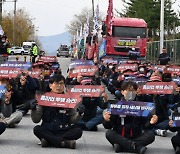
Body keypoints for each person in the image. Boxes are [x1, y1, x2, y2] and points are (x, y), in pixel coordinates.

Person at [103, 81, 156, 154]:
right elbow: (108, 126)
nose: (130, 93)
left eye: (132, 91)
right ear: (122, 92)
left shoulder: (141, 106)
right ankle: (136, 147)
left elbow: (145, 126)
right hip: (120, 136)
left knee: (151, 135)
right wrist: (107, 120)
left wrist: (151, 122)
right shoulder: (117, 106)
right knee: (109, 133)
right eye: (128, 91)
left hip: (136, 136)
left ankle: (122, 147)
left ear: (136, 92)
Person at [31, 74, 82, 148]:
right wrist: (33, 109)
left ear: (64, 85)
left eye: (61, 83)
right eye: (56, 83)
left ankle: (49, 140)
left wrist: (79, 113)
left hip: (64, 130)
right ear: (50, 85)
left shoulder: (69, 99)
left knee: (78, 131)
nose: (58, 86)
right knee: (37, 129)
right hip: (48, 129)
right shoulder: (42, 98)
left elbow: (72, 120)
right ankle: (64, 142)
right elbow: (36, 120)